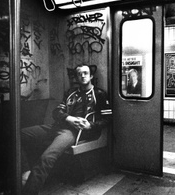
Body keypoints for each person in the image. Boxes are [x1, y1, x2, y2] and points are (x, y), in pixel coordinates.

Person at [21, 64, 111, 195]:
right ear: (77, 77)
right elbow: (57, 112)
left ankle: (29, 191)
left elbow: (107, 118)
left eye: (85, 73)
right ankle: (25, 172)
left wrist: (91, 125)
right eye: (79, 74)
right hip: (58, 126)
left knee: (47, 157)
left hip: (73, 132)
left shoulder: (100, 94)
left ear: (91, 76)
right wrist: (69, 118)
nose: (83, 76)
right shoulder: (70, 92)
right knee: (19, 134)